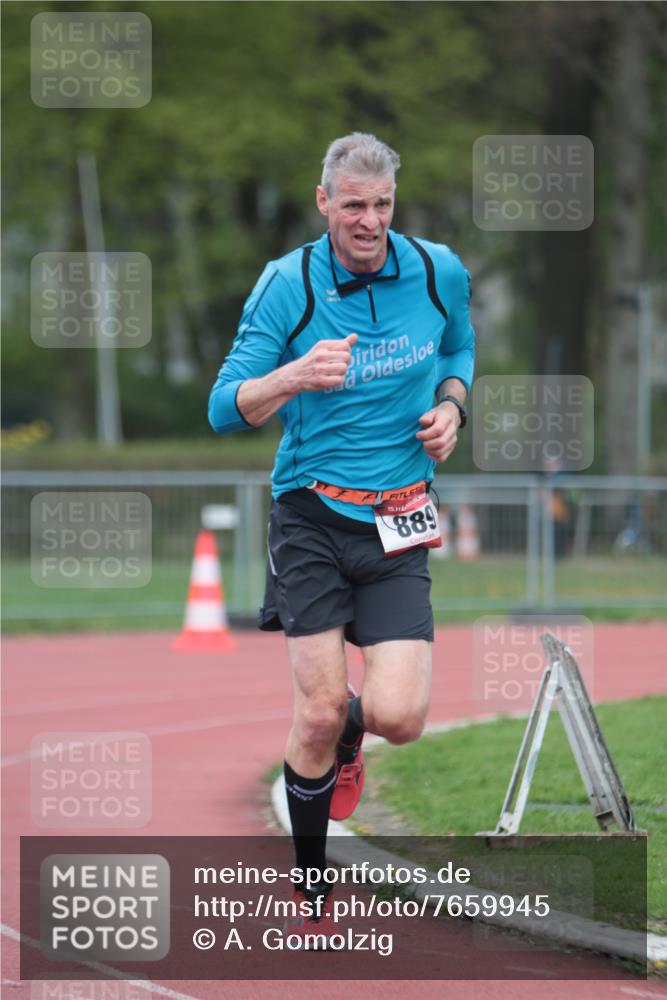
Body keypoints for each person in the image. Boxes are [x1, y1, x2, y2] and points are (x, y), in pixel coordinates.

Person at [208, 132, 475, 936]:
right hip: (312, 516)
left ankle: (354, 740)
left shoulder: (436, 269)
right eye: (352, 205)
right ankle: (312, 879)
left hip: (399, 516)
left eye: (382, 204)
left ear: (396, 202)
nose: (368, 221)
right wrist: (294, 375)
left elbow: (458, 347)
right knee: (319, 707)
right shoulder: (287, 285)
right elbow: (225, 406)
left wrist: (453, 407)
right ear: (324, 202)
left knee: (398, 716)